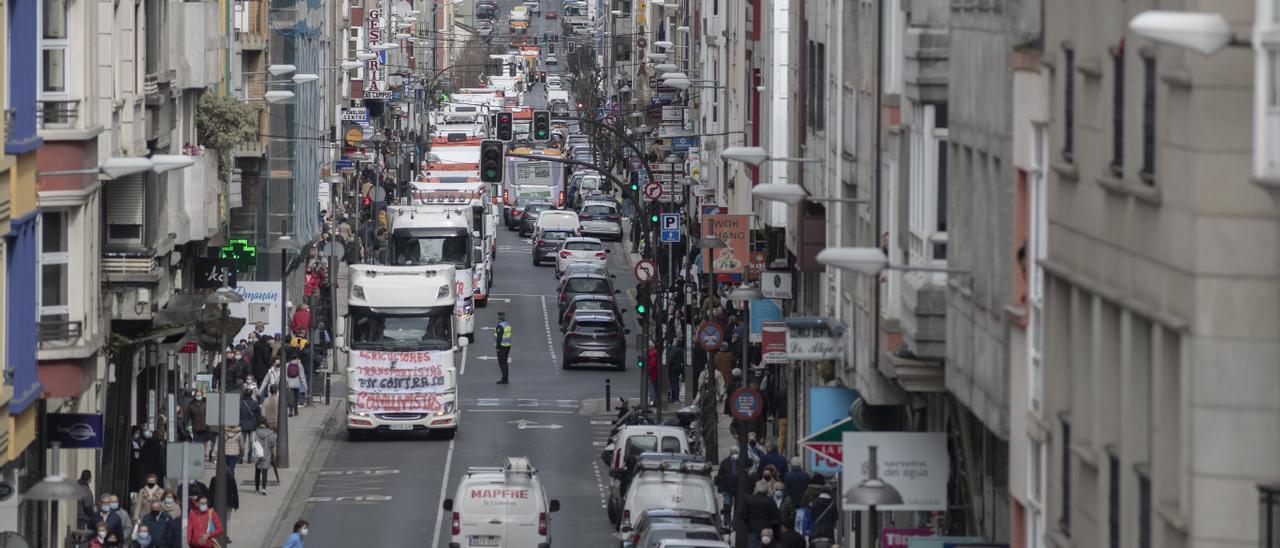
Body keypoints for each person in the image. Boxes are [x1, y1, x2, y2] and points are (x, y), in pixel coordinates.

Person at [251, 418, 278, 495]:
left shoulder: (255, 432)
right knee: (265, 471)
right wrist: (273, 454)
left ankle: (256, 488)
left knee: (257, 471)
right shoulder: (270, 433)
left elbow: (251, 443)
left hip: (257, 454)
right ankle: (264, 488)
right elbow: (273, 444)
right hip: (267, 454)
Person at [187, 391, 211, 461]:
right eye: (197, 395)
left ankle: (203, 453)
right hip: (196, 427)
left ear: (202, 395)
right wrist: (184, 424)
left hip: (205, 426)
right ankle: (198, 454)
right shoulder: (191, 404)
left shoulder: (206, 403)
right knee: (197, 442)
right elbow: (187, 416)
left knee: (205, 441)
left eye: (199, 395)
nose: (198, 396)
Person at [665, 335, 685, 403]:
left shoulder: (674, 349)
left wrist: (667, 367)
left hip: (673, 369)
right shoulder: (681, 350)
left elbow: (670, 360)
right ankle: (675, 397)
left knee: (673, 383)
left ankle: (675, 398)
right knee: (676, 383)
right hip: (678, 368)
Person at [494, 312, 512, 384]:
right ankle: (505, 378)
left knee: (502, 363)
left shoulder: (500, 326)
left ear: (499, 317)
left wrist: (497, 347)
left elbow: (499, 338)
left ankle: (504, 379)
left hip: (502, 346)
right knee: (505, 362)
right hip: (507, 346)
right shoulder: (507, 324)